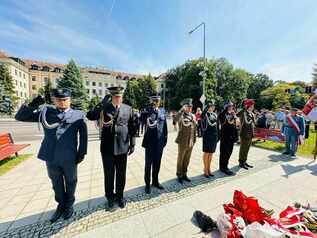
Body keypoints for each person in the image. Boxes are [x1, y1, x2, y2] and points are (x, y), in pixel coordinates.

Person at [15, 89, 88, 223]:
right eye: (59, 99)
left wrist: (82, 153)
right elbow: (20, 117)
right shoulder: (46, 113)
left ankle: (69, 205)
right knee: (56, 183)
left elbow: (83, 136)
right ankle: (60, 205)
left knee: (71, 181)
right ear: (54, 100)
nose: (62, 102)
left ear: (70, 99)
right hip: (51, 156)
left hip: (69, 157)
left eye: (65, 99)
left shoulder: (78, 115)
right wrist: (35, 103)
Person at [86, 86, 136, 209]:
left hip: (122, 147)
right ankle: (109, 197)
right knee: (108, 175)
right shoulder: (104, 107)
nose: (117, 98)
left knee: (121, 174)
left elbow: (132, 127)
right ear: (111, 96)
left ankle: (120, 196)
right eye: (115, 96)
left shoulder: (128, 109)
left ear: (122, 96)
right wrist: (101, 104)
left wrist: (132, 143)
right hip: (107, 148)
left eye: (119, 96)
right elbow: (90, 116)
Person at [142, 95, 168, 194]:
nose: (157, 102)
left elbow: (164, 126)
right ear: (152, 101)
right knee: (148, 165)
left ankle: (155, 181)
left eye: (158, 101)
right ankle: (147, 184)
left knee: (157, 163)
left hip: (159, 143)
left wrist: (165, 139)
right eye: (155, 101)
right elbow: (142, 119)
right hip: (150, 143)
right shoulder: (148, 111)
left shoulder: (162, 111)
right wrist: (150, 108)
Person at [174, 98, 197, 184]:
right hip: (182, 141)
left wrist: (194, 140)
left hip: (190, 141)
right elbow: (175, 119)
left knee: (187, 159)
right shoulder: (181, 115)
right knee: (181, 159)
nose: (190, 108)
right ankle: (179, 174)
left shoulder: (193, 116)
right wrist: (181, 110)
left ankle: (184, 173)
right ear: (185, 107)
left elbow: (194, 129)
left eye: (191, 106)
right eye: (188, 106)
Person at [218, 101, 238, 176]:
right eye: (229, 106)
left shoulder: (232, 114)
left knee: (229, 152)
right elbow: (222, 119)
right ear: (226, 107)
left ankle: (225, 166)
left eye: (232, 106)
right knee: (224, 152)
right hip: (225, 137)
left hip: (231, 137)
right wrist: (229, 114)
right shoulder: (222, 114)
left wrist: (236, 136)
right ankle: (223, 167)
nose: (231, 107)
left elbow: (235, 125)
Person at [201, 101, 219, 178]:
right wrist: (206, 108)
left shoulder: (215, 115)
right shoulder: (205, 115)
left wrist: (218, 136)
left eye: (213, 106)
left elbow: (217, 126)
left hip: (214, 136)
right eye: (211, 106)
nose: (213, 107)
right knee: (206, 153)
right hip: (207, 136)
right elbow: (201, 116)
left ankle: (209, 168)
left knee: (211, 153)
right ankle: (205, 169)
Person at [237, 99, 256, 170]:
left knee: (247, 149)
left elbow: (254, 123)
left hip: (250, 134)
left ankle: (244, 161)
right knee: (243, 149)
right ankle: (241, 162)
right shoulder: (243, 113)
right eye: (251, 105)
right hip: (244, 134)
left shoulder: (251, 114)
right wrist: (244, 107)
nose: (253, 107)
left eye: (253, 105)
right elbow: (237, 114)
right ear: (248, 106)